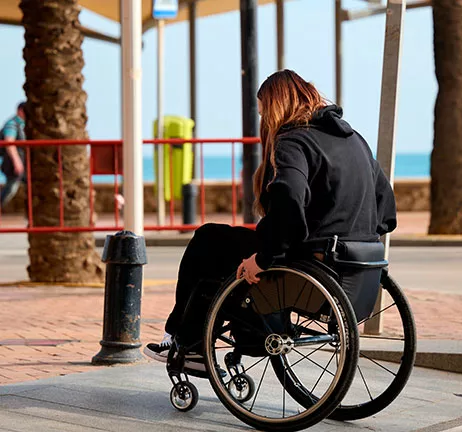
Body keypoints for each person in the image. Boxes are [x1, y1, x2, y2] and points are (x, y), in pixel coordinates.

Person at [144, 70, 397, 368]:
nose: (263, 120)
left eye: (264, 112)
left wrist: (264, 259)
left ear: (276, 107)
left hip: (311, 260)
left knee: (207, 240)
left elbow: (290, 199)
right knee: (226, 246)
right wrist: (357, 235)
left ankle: (183, 339)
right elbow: (387, 210)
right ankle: (203, 337)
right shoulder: (354, 139)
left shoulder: (294, 140)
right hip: (356, 263)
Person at [1, 102, 27, 209]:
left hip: (22, 163)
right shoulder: (12, 124)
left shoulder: (22, 125)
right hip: (12, 163)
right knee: (11, 188)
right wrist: (17, 162)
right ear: (20, 111)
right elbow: (9, 143)